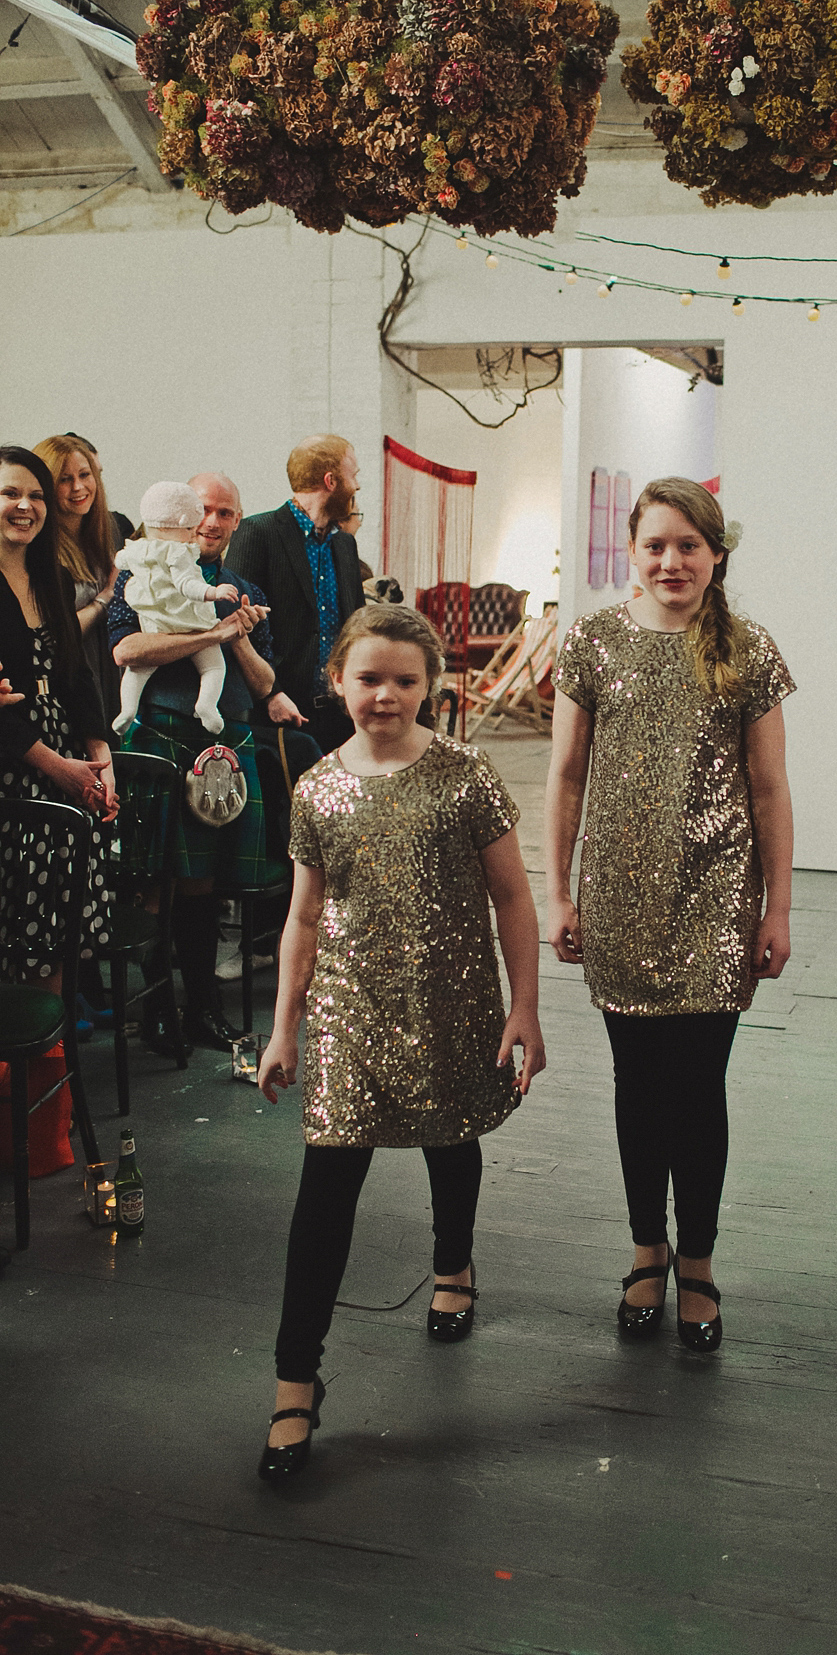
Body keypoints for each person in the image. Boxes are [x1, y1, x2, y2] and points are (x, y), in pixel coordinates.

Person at [255, 603, 545, 1483]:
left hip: (450, 999)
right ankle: (293, 1382)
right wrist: (283, 1027)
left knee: (451, 1143)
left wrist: (524, 1006)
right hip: (351, 1008)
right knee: (325, 1193)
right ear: (337, 679)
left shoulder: (465, 776)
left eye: (405, 681)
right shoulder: (317, 786)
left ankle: (452, 1262)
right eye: (369, 678)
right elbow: (303, 915)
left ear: (432, 686)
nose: (385, 695)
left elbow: (512, 900)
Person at [545, 478, 795, 1353]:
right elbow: (566, 775)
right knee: (636, 1086)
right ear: (631, 552)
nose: (671, 561)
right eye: (655, 545)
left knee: (699, 1088)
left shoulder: (747, 651)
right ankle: (645, 1248)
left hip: (717, 900)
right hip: (618, 896)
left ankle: (699, 1260)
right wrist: (559, 890)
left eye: (688, 545)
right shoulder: (593, 643)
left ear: (716, 554)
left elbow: (769, 790)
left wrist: (778, 909)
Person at [110, 471, 274, 1050]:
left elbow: (263, 682)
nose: (213, 521)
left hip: (223, 746)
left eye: (226, 513)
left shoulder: (242, 586)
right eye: (204, 509)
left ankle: (201, 1012)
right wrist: (210, 633)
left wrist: (237, 636)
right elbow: (127, 650)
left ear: (236, 521)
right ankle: (157, 1014)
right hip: (158, 740)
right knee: (157, 885)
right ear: (182, 513)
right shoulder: (140, 570)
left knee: (204, 886)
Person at [0, 446, 115, 990]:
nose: (25, 505)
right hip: (14, 767)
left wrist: (100, 757)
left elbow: (76, 676)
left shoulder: (55, 579)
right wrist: (56, 768)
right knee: (14, 921)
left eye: (35, 496)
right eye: (9, 493)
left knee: (55, 922)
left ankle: (52, 1069)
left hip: (65, 756)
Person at [227, 435, 365, 755]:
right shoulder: (257, 533)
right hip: (282, 713)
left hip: (342, 712)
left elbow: (358, 627)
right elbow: (236, 625)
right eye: (353, 475)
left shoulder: (345, 544)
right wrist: (269, 694)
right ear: (331, 481)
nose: (357, 486)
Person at [113, 482, 243, 737]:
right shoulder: (180, 552)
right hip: (188, 621)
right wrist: (213, 594)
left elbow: (120, 559)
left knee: (136, 673)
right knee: (214, 667)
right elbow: (187, 585)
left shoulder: (138, 548)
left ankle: (126, 710)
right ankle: (206, 704)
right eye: (199, 517)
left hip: (155, 623)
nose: (204, 527)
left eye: (225, 513)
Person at [35, 433, 122, 731]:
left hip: (110, 683)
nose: (78, 487)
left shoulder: (108, 534)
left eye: (85, 475)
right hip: (65, 692)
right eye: (64, 479)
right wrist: (105, 599)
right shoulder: (39, 549)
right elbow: (53, 637)